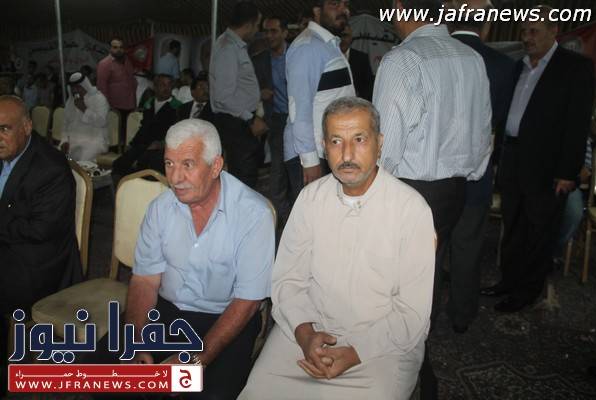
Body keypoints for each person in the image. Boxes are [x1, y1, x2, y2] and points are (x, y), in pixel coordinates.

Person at [239, 97, 435, 400]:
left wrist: (355, 351)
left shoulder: (411, 210)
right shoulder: (310, 199)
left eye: (359, 139)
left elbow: (412, 313)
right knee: (257, 392)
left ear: (379, 143)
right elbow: (288, 279)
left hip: (382, 346)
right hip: (307, 333)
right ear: (323, 146)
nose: (347, 154)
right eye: (336, 141)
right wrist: (305, 333)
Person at [373, 0, 491, 397]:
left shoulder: (403, 60)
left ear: (398, 7)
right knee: (426, 279)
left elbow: (384, 148)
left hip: (410, 189)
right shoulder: (471, 58)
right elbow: (484, 135)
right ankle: (417, 363)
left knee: (393, 287)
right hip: (455, 190)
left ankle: (406, 371)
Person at [124, 118, 274, 399]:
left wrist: (195, 361)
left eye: (188, 164)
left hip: (225, 318)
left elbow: (248, 302)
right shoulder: (160, 208)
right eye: (169, 163)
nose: (175, 177)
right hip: (166, 310)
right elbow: (144, 280)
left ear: (215, 166)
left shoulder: (253, 215)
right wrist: (136, 342)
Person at [480, 5, 595, 312]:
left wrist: (568, 172)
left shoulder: (574, 68)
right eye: (523, 31)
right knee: (513, 228)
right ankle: (508, 282)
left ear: (554, 30)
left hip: (548, 168)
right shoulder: (519, 66)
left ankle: (527, 292)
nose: (526, 37)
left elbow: (577, 124)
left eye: (534, 31)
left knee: (538, 233)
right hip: (513, 159)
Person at [0, 95, 82, 395]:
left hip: (40, 262)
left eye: (5, 129)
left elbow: (39, 230)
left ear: (27, 127)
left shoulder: (51, 168)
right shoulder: (6, 154)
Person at [446, 0, 515, 333]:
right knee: (468, 247)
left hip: (433, 173)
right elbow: (500, 122)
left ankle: (422, 315)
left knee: (428, 248)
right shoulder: (504, 66)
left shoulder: (433, 56)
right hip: (477, 173)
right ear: (487, 26)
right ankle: (461, 315)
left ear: (449, 23)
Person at [284, 0, 355, 202]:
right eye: (335, 4)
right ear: (317, 10)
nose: (343, 10)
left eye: (345, 4)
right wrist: (310, 161)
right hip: (312, 155)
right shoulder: (307, 47)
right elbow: (299, 108)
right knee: (313, 219)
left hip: (329, 152)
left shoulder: (327, 45)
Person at [209, 0, 267, 188]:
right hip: (235, 122)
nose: (257, 30)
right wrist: (250, 119)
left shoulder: (235, 45)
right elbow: (223, 96)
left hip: (238, 120)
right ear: (249, 24)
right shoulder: (227, 48)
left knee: (246, 175)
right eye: (257, 25)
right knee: (244, 180)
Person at [252, 15, 291, 225]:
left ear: (285, 33)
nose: (269, 36)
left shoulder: (297, 55)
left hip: (298, 119)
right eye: (266, 31)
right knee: (278, 167)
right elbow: (247, 89)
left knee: (297, 167)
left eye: (274, 31)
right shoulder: (259, 60)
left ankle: (295, 213)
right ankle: (279, 216)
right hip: (275, 119)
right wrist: (259, 93)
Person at [112, 74, 181, 180]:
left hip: (162, 149)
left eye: (169, 85)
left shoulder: (178, 107)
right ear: (155, 87)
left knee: (142, 168)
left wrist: (162, 144)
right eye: (162, 85)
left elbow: (178, 134)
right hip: (143, 145)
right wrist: (132, 144)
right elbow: (144, 127)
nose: (166, 88)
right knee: (118, 165)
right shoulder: (149, 103)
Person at [61, 72, 109, 162]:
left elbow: (102, 122)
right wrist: (64, 141)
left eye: (78, 87)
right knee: (59, 159)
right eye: (73, 88)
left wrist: (84, 109)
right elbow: (65, 124)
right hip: (74, 140)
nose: (75, 90)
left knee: (83, 159)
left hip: (94, 140)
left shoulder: (99, 99)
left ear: (85, 86)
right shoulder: (70, 102)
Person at [96, 37, 137, 142]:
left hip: (130, 105)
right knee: (115, 138)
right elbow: (101, 87)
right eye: (115, 47)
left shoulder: (127, 61)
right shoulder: (104, 64)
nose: (118, 50)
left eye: (121, 47)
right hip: (114, 107)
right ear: (110, 48)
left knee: (127, 135)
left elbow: (131, 80)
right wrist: (107, 107)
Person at [339, 24, 374, 101]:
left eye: (345, 35)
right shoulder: (327, 56)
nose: (342, 39)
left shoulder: (361, 58)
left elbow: (368, 86)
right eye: (339, 36)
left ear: (351, 37)